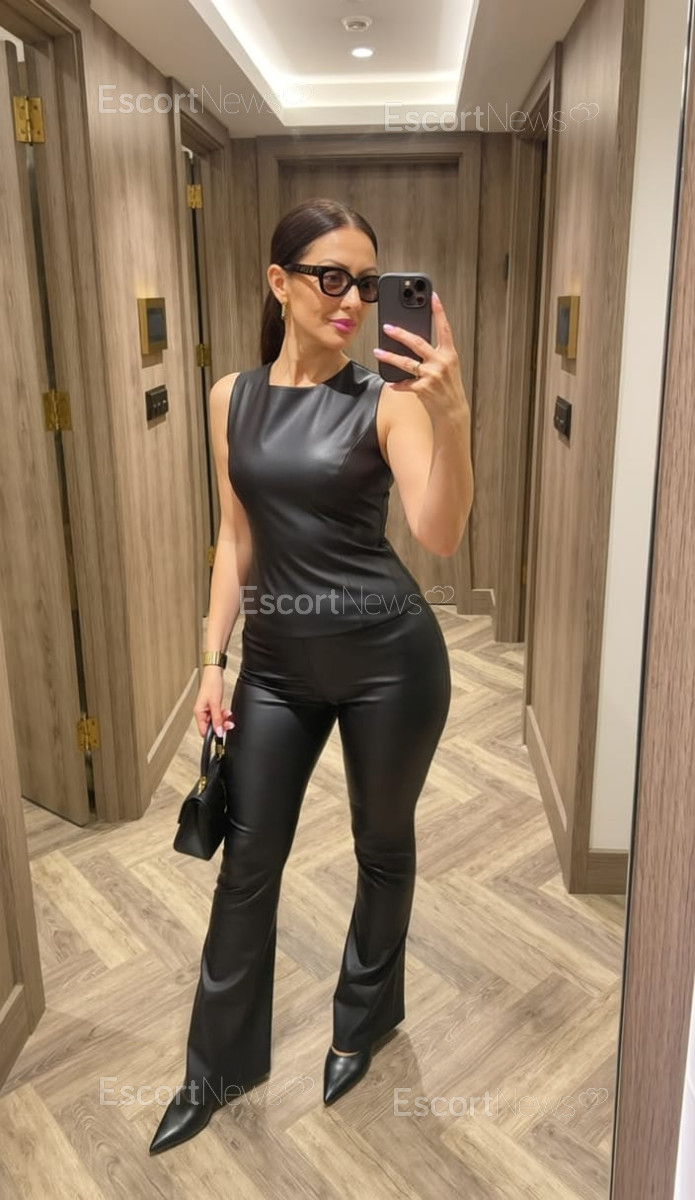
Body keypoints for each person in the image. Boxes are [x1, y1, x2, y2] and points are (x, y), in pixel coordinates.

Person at [149, 197, 473, 1155]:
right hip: (277, 670)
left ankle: (361, 1025)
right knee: (247, 864)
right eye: (330, 277)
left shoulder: (387, 399)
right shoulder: (230, 397)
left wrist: (453, 418)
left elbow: (438, 535)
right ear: (278, 282)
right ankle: (215, 1068)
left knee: (382, 845)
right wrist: (211, 659)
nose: (352, 301)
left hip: (390, 665)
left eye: (365, 284)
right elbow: (234, 536)